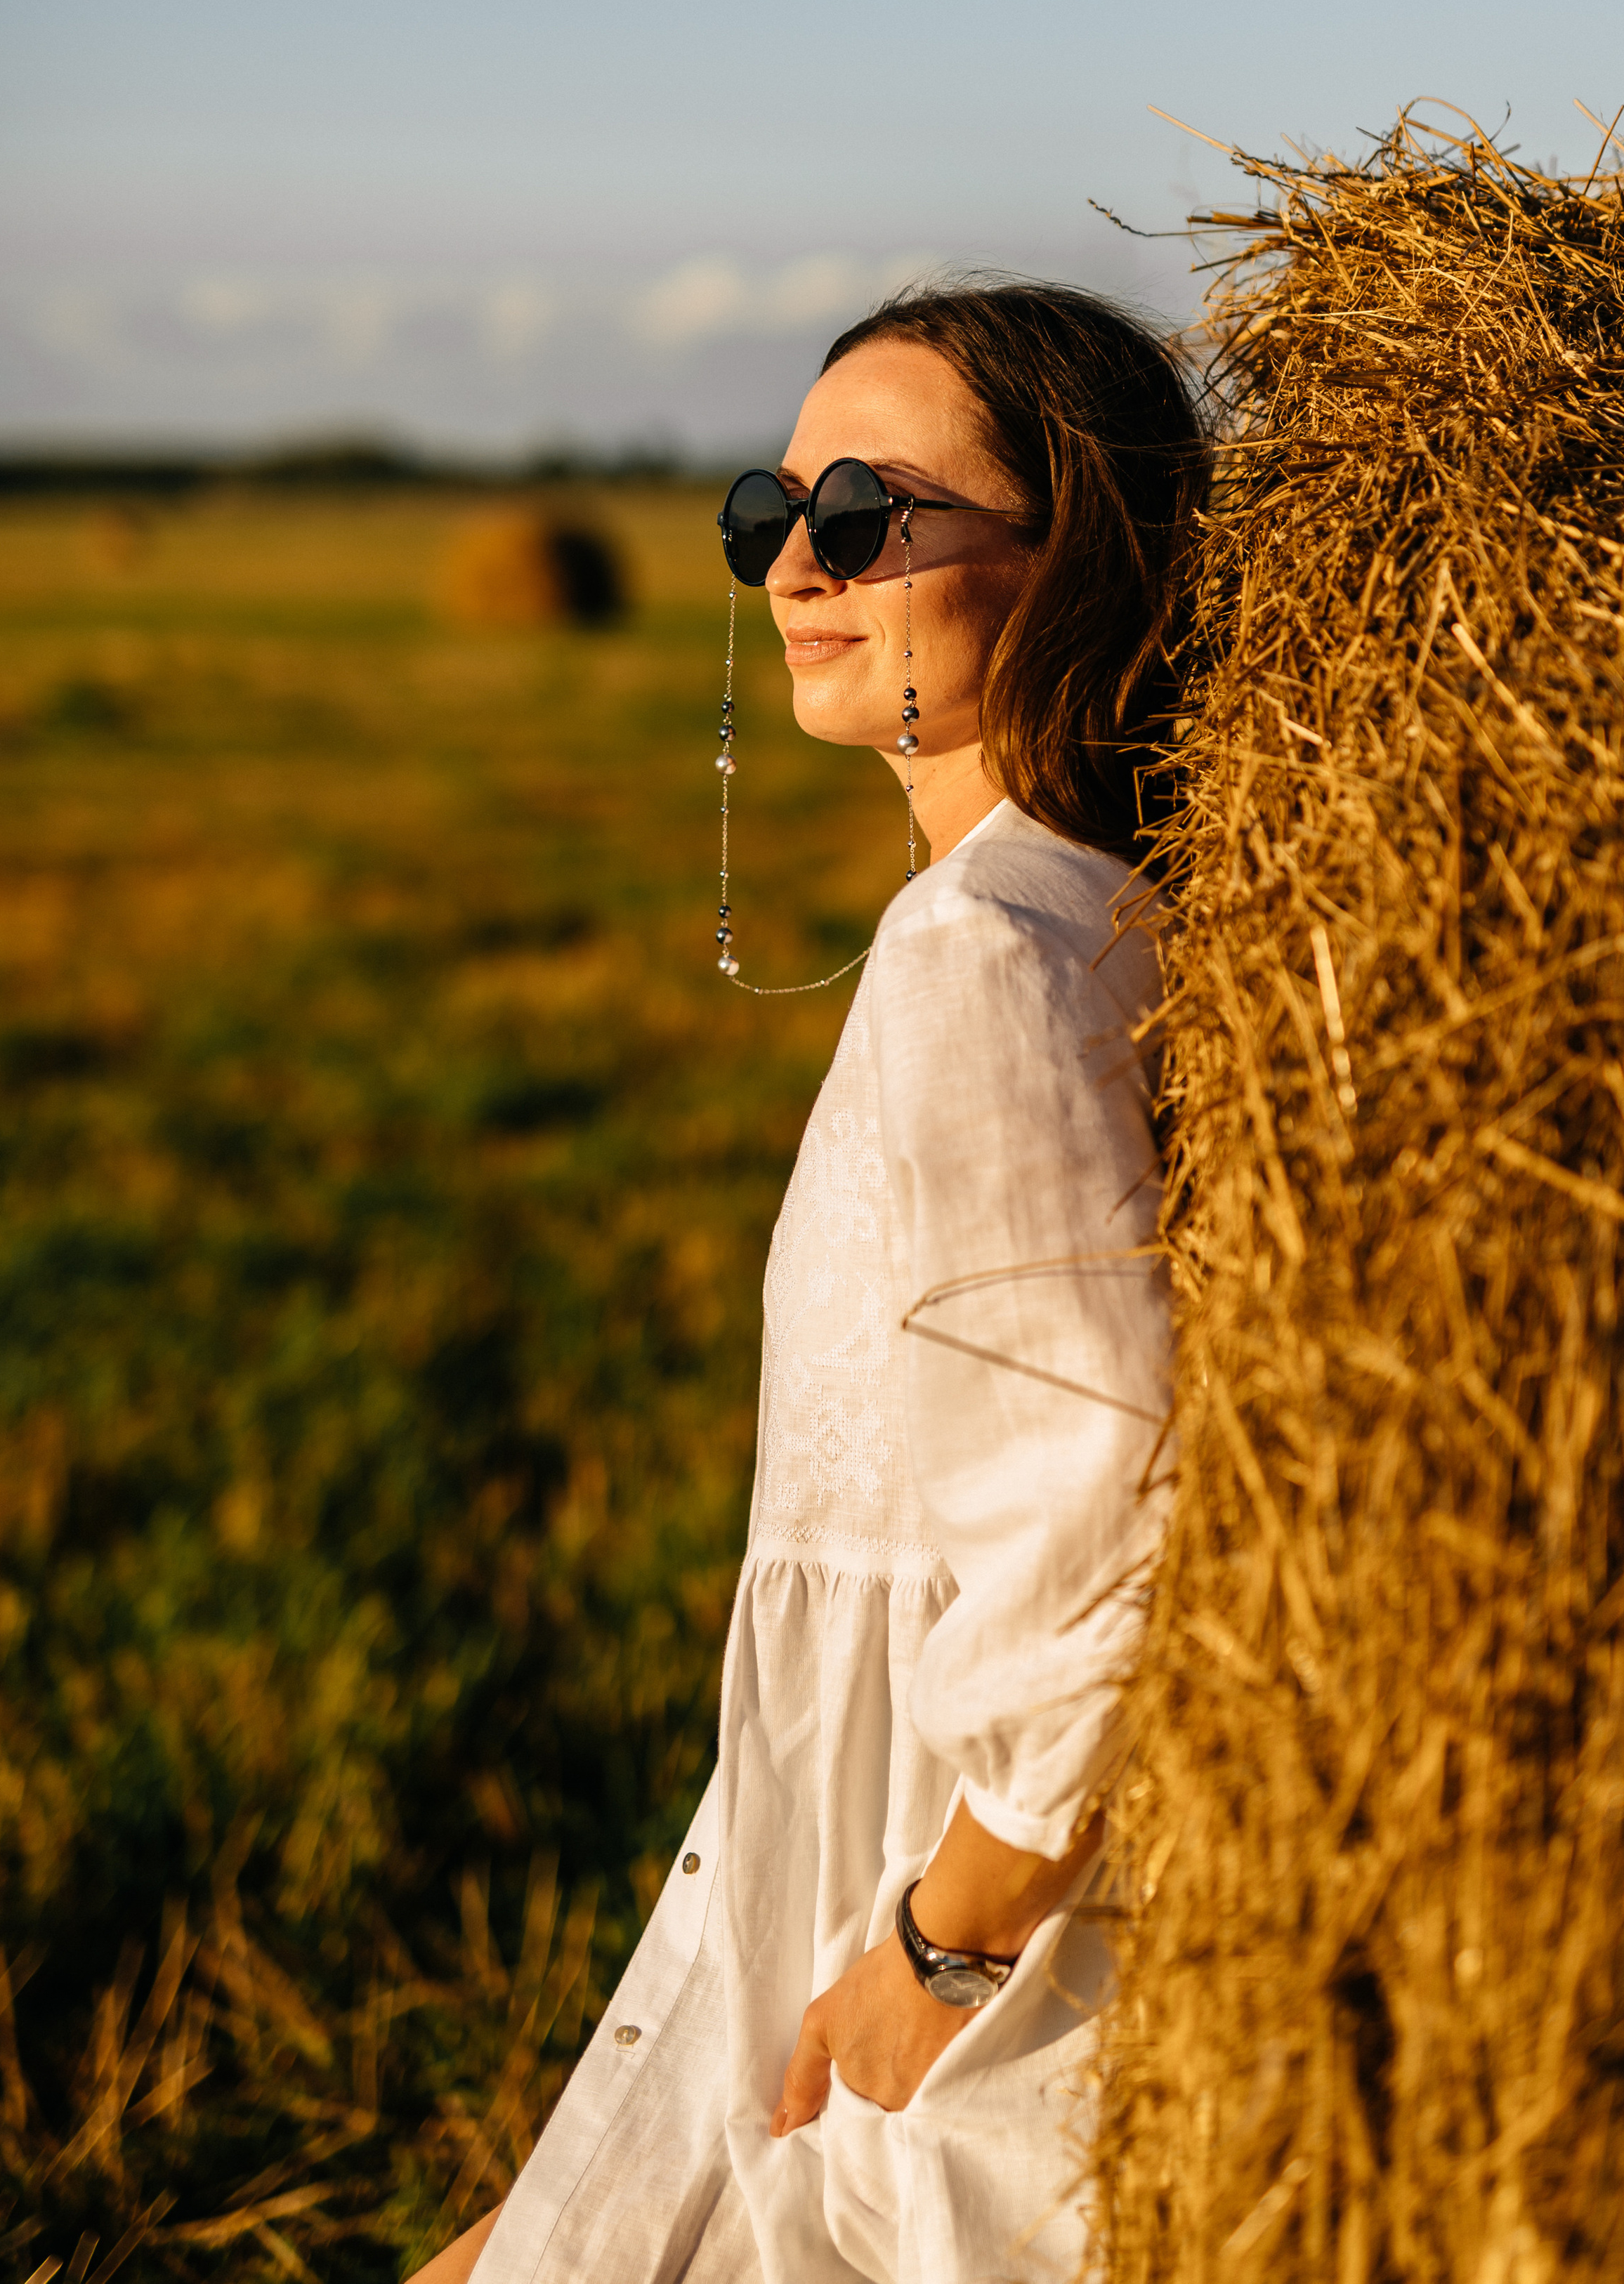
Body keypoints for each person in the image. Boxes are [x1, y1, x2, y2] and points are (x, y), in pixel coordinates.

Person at [417, 282, 1205, 2284]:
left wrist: (941, 1946)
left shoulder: (986, 954)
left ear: (1073, 547)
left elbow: (1106, 1529)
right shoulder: (1093, 911)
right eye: (769, 509)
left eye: (866, 513)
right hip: (929, 1840)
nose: (796, 563)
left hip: (950, 1880)